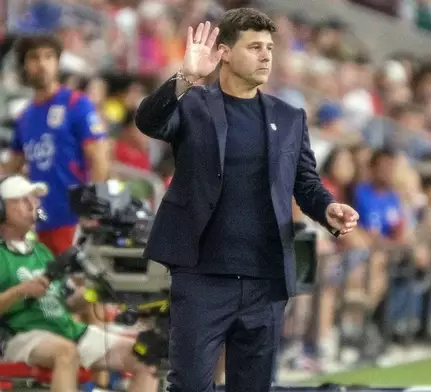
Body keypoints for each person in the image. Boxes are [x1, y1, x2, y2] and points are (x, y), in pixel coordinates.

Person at [134, 8, 359, 392]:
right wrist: (186, 77)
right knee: (188, 384)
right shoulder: (194, 103)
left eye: (269, 47)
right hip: (201, 274)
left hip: (265, 278)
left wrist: (326, 208)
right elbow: (148, 122)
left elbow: (304, 181)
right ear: (224, 52)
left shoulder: (289, 116)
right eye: (254, 47)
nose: (266, 55)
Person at [0, 175, 158, 392]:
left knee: (146, 357)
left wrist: (92, 292)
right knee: (66, 353)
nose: (32, 205)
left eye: (34, 199)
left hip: (67, 331)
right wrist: (20, 291)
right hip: (20, 336)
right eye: (21, 199)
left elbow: (67, 303)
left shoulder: (41, 251)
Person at [4, 35, 110, 256]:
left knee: (73, 286)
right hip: (37, 223)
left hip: (73, 221)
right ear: (24, 65)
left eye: (49, 57)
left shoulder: (76, 104)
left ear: (57, 63)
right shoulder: (25, 116)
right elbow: (12, 167)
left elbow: (99, 156)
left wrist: (92, 206)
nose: (42, 64)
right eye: (34, 58)